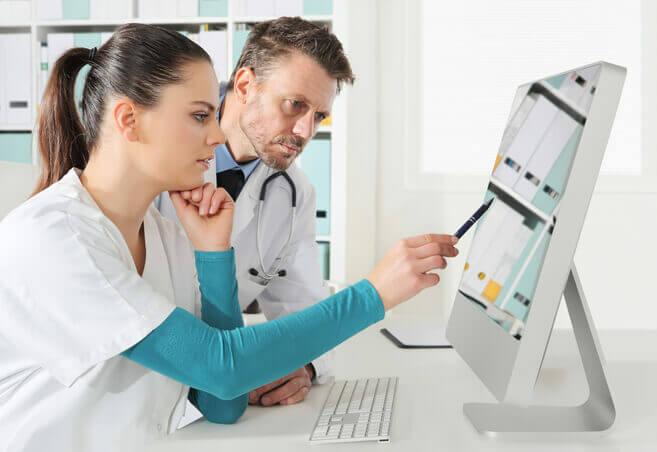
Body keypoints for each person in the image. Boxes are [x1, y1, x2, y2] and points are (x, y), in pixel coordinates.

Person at [0, 23, 457, 452]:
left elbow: (224, 401)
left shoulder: (161, 234)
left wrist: (214, 255)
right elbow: (221, 367)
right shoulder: (53, 239)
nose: (218, 134)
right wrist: (374, 294)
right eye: (200, 115)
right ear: (129, 120)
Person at [155, 18, 357, 407]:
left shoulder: (295, 194)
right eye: (294, 104)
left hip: (221, 399)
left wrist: (306, 366)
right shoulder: (159, 149)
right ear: (245, 85)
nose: (304, 131)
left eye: (318, 116)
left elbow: (307, 314)